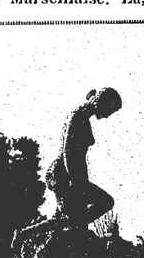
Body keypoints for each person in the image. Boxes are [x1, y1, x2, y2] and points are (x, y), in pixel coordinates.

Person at [47, 88, 123, 229]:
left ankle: (26, 234)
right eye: (109, 111)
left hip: (70, 176)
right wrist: (77, 184)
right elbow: (67, 153)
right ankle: (27, 234)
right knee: (104, 203)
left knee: (69, 219)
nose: (107, 116)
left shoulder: (81, 116)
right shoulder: (78, 118)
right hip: (65, 177)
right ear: (102, 103)